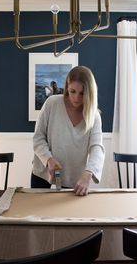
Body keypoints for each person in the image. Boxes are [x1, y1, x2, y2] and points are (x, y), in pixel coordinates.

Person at [31, 65, 105, 196]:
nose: (76, 98)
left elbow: (96, 148)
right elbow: (38, 138)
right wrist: (48, 159)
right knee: (38, 214)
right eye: (72, 91)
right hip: (43, 174)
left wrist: (88, 173)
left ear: (90, 93)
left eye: (82, 93)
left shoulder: (94, 116)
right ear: (66, 87)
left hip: (74, 178)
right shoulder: (51, 104)